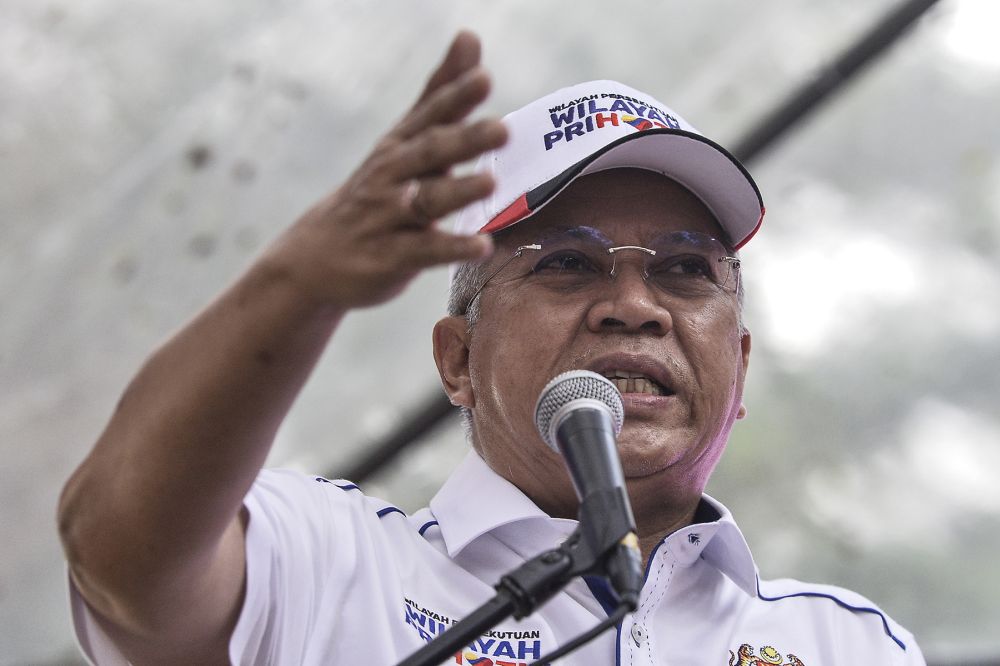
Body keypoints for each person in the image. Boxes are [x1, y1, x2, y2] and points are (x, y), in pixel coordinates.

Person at [58, 31, 926, 665]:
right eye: (570, 264)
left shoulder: (844, 643)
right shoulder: (328, 562)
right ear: (455, 361)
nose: (634, 305)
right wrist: (297, 287)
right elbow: (120, 554)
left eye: (687, 272)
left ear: (738, 370)